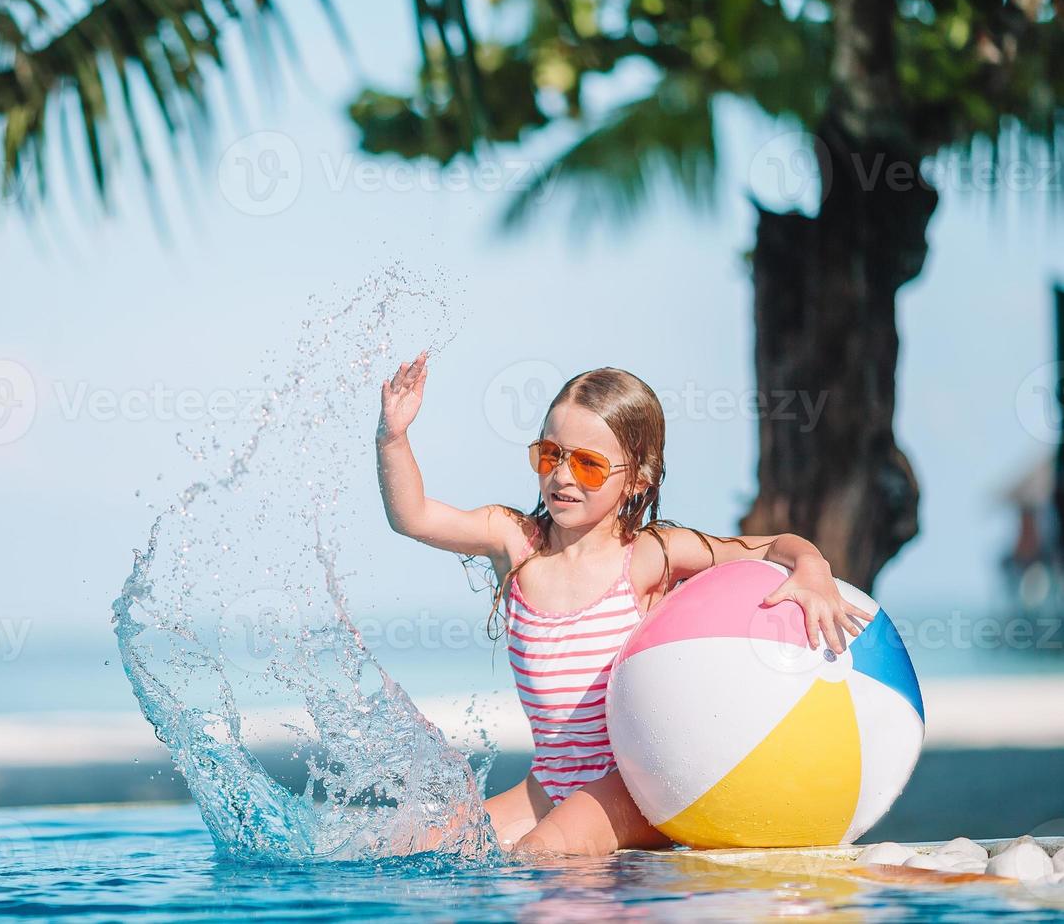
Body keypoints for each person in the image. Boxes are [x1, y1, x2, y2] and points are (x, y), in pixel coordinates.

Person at [375, 353, 874, 857]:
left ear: (637, 477)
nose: (563, 477)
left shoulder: (648, 555)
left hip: (634, 788)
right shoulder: (515, 542)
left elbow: (770, 547)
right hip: (550, 782)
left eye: (588, 464)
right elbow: (412, 517)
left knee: (538, 851)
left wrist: (812, 568)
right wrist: (393, 438)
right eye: (551, 455)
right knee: (415, 847)